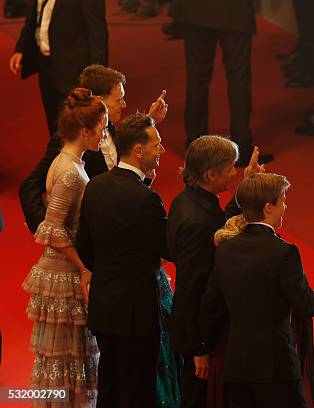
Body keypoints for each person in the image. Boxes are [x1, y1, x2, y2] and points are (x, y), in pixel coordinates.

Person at [199, 173, 314, 407]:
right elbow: (307, 305)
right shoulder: (284, 252)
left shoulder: (225, 249)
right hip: (276, 368)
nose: (285, 207)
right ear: (268, 207)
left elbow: (210, 307)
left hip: (237, 367)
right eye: (283, 201)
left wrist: (204, 349)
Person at [22, 87, 108, 406]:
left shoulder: (70, 164)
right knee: (67, 367)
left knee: (68, 367)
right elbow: (52, 229)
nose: (104, 134)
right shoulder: (70, 173)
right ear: (85, 131)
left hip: (66, 273)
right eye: (102, 128)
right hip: (66, 275)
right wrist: (84, 265)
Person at [77, 113, 169, 407]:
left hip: (104, 308)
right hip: (138, 316)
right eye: (157, 144)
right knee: (137, 392)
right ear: (138, 151)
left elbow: (85, 248)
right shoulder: (146, 199)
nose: (162, 151)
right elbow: (167, 250)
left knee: (110, 386)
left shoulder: (96, 186)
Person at [166, 135, 263, 407]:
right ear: (210, 173)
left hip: (196, 328)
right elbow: (191, 288)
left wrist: (245, 184)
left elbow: (220, 222)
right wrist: (199, 349)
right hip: (197, 334)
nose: (234, 172)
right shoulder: (198, 222)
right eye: (230, 167)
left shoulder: (189, 200)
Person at [18, 64, 168, 234]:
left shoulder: (110, 127)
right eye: (119, 100)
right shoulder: (68, 139)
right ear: (99, 101)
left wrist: (151, 120)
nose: (124, 105)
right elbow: (29, 186)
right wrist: (44, 228)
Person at [169, 0, 273, 166]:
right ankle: (242, 146)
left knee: (197, 76)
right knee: (238, 77)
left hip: (194, 9)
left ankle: (195, 145)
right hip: (234, 9)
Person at [9, 0, 108, 136]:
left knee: (76, 130)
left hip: (75, 72)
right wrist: (21, 49)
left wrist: (98, 82)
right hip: (46, 65)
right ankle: (57, 155)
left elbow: (98, 36)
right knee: (54, 124)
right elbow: (35, 17)